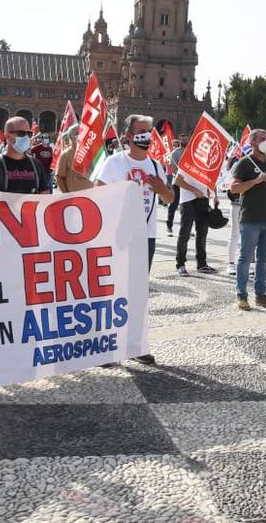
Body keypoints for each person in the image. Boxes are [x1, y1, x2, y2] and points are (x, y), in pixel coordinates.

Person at [95, 114, 172, 365]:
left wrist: (162, 189)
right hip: (118, 235)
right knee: (113, 291)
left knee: (138, 291)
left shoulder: (156, 165)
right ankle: (109, 346)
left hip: (145, 235)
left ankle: (136, 345)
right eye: (141, 131)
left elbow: (170, 198)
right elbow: (98, 194)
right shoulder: (115, 163)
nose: (146, 136)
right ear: (128, 136)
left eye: (149, 131)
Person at [228, 128, 266, 312]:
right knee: (245, 258)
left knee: (263, 259)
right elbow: (234, 188)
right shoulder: (244, 163)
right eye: (261, 139)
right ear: (252, 143)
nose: (265, 142)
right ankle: (241, 294)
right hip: (250, 218)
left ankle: (260, 294)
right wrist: (255, 181)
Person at [0, 116, 50, 194]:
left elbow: (44, 194)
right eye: (21, 134)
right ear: (7, 136)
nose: (25, 137)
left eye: (28, 134)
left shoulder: (36, 165)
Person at [174, 169, 215, 275]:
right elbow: (177, 181)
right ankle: (180, 264)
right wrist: (194, 190)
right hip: (188, 201)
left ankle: (201, 263)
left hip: (203, 199)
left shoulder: (206, 161)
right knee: (185, 233)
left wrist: (215, 194)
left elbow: (210, 179)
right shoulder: (188, 160)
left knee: (202, 233)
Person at [54, 125, 94, 193]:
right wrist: (66, 194)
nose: (80, 135)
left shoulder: (91, 153)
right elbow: (59, 178)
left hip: (91, 196)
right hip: (74, 197)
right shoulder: (65, 155)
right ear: (70, 137)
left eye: (82, 132)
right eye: (77, 133)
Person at [164, 140, 184, 234]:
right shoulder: (175, 153)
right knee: (174, 204)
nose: (184, 139)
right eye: (182, 137)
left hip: (187, 183)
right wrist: (180, 175)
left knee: (185, 206)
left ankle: (184, 227)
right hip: (177, 182)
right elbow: (172, 168)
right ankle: (169, 226)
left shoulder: (189, 152)